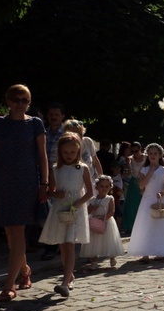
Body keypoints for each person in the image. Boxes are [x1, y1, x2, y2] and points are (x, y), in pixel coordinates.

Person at [0, 85, 49, 302]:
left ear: (29, 103)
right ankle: (24, 270)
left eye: (25, 100)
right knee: (12, 235)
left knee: (17, 231)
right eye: (16, 99)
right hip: (2, 183)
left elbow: (42, 156)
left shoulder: (35, 124)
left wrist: (45, 182)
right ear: (9, 101)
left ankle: (9, 286)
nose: (20, 103)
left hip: (26, 183)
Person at [40, 132, 93, 297]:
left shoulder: (82, 168)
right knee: (63, 245)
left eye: (72, 152)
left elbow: (90, 192)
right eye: (65, 152)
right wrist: (56, 194)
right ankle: (69, 276)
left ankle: (64, 282)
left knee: (69, 244)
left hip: (75, 210)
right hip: (60, 210)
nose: (69, 156)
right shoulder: (56, 169)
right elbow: (51, 191)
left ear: (78, 151)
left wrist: (78, 202)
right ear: (60, 152)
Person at [127, 143, 164, 262]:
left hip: (160, 199)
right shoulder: (144, 170)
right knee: (146, 224)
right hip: (147, 199)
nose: (152, 156)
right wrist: (150, 171)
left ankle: (160, 251)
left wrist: (163, 193)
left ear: (160, 155)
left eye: (155, 153)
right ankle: (145, 253)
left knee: (159, 225)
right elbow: (141, 186)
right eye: (150, 153)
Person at [80, 175, 124, 268]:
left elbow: (112, 211)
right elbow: (87, 211)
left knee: (108, 240)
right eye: (102, 186)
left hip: (106, 222)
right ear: (97, 187)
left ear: (110, 187)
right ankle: (94, 261)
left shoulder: (110, 198)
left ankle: (112, 257)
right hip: (94, 222)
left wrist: (104, 218)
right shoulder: (93, 199)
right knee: (94, 242)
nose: (104, 188)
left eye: (106, 186)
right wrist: (92, 208)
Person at [40, 102, 64, 260]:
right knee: (47, 214)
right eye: (51, 114)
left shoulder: (67, 135)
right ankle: (51, 245)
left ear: (62, 116)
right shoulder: (43, 133)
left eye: (57, 114)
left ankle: (57, 246)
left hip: (61, 177)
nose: (54, 117)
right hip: (44, 177)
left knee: (58, 213)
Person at [121, 142, 145, 233]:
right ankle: (129, 226)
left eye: (136, 150)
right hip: (133, 181)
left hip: (143, 181)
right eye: (133, 151)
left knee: (141, 204)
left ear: (140, 149)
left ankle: (141, 226)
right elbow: (130, 172)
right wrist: (128, 163)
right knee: (130, 205)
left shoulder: (146, 157)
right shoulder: (130, 159)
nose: (135, 153)